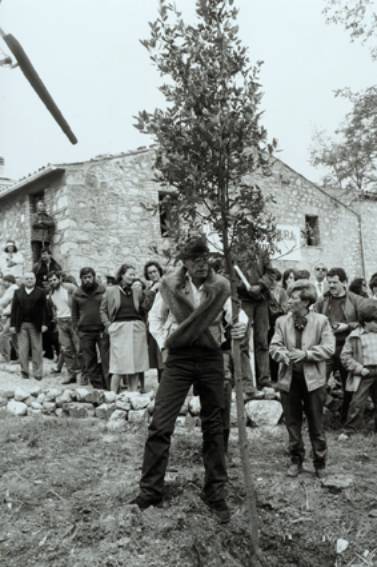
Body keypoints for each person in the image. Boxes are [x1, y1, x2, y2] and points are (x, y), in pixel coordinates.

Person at [132, 236, 248, 523]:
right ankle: (150, 492)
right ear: (183, 262)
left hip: (210, 358)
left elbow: (238, 316)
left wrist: (239, 328)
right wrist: (165, 344)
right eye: (194, 259)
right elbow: (154, 320)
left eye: (204, 258)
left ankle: (215, 493)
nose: (200, 264)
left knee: (216, 424)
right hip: (180, 358)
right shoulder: (169, 286)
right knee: (160, 423)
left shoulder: (220, 286)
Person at [270, 280, 335, 478]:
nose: (289, 301)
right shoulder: (282, 321)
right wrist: (283, 355)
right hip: (289, 380)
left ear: (306, 302)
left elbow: (329, 348)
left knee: (316, 423)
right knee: (292, 423)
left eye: (294, 298)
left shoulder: (321, 321)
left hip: (314, 381)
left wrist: (306, 355)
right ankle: (295, 460)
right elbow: (274, 346)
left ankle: (320, 462)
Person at [314, 267, 366, 422]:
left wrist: (348, 326)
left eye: (334, 282)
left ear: (344, 282)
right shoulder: (322, 301)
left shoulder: (357, 300)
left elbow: (366, 323)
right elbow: (315, 320)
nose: (331, 286)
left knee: (348, 386)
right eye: (329, 282)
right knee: (317, 384)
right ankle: (335, 406)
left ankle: (345, 419)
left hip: (348, 349)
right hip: (327, 348)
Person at [100, 263, 149, 393]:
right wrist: (108, 326)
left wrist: (143, 324)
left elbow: (144, 309)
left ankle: (132, 394)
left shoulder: (137, 291)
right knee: (118, 365)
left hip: (136, 328)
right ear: (122, 275)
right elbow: (102, 310)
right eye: (130, 274)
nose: (133, 277)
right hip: (119, 328)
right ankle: (112, 395)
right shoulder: (111, 291)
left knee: (135, 364)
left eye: (134, 274)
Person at [237, 245, 276, 390]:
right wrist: (244, 287)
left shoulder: (262, 251)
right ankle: (246, 383)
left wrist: (260, 286)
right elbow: (226, 275)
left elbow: (271, 273)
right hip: (242, 301)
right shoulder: (232, 250)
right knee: (242, 341)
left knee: (262, 341)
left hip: (261, 300)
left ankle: (264, 381)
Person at [341, 300, 377, 433]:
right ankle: (350, 429)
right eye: (375, 322)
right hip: (364, 372)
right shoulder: (355, 336)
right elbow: (345, 357)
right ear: (366, 321)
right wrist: (359, 369)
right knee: (357, 403)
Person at [72, 267, 109, 389]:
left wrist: (107, 326)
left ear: (93, 277)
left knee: (106, 358)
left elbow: (108, 309)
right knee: (90, 360)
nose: (87, 280)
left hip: (101, 330)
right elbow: (74, 314)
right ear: (81, 279)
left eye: (89, 277)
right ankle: (97, 386)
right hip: (85, 332)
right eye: (84, 278)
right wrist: (77, 329)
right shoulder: (77, 293)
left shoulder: (103, 291)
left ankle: (108, 385)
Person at [10, 272, 48, 380]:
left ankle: (37, 372)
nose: (29, 280)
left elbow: (45, 309)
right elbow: (14, 310)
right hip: (21, 325)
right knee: (23, 349)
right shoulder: (17, 292)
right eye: (27, 279)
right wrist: (13, 324)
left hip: (36, 325)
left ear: (35, 280)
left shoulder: (41, 292)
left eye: (31, 278)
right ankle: (24, 372)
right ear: (23, 280)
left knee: (37, 348)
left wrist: (44, 323)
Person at [48, 271, 80, 385]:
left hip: (73, 320)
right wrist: (56, 318)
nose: (52, 282)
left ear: (60, 279)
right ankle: (71, 375)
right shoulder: (51, 292)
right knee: (66, 350)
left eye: (54, 279)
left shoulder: (70, 288)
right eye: (50, 281)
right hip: (61, 322)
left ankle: (83, 374)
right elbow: (53, 307)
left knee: (79, 348)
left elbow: (80, 301)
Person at [143, 261, 165, 382]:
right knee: (157, 356)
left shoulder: (167, 284)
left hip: (165, 324)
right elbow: (145, 306)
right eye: (149, 273)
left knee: (164, 354)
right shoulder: (149, 289)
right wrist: (152, 291)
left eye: (154, 271)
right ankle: (161, 383)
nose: (152, 275)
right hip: (153, 324)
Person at [0, 274, 19, 361]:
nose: (3, 284)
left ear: (9, 281)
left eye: (4, 282)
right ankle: (20, 357)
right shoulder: (15, 288)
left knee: (4, 335)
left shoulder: (13, 289)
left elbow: (3, 301)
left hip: (12, 316)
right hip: (14, 315)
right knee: (14, 338)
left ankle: (6, 357)